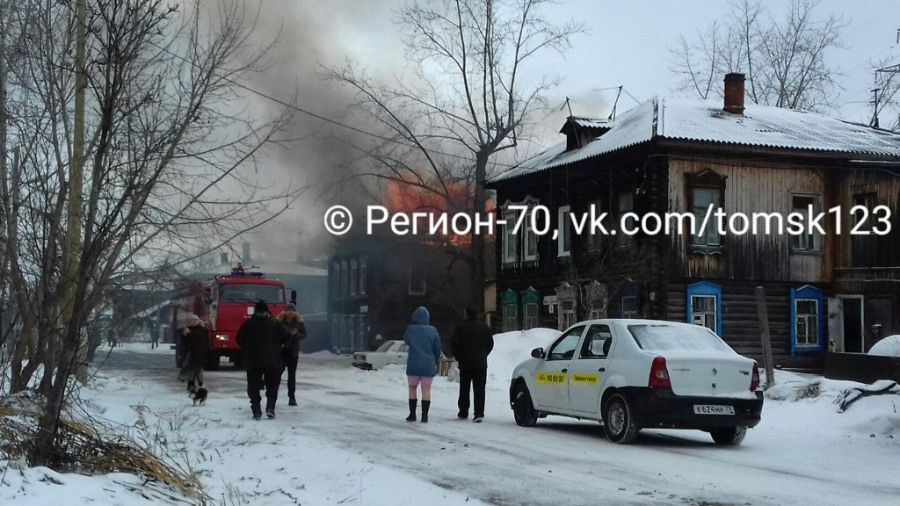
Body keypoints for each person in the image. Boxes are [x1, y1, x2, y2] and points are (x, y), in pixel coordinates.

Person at [236, 300, 294, 419]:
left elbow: (239, 340)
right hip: (272, 360)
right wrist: (278, 344)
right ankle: (270, 408)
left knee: (253, 386)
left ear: (255, 311)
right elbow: (288, 335)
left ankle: (256, 410)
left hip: (253, 360)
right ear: (267, 311)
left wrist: (247, 347)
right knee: (272, 384)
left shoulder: (248, 323)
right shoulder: (275, 323)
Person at [450, 307, 494, 423]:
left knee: (464, 388)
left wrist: (459, 357)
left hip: (465, 363)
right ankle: (479, 413)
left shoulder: (461, 328)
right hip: (480, 363)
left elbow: (454, 344)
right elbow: (490, 344)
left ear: (466, 315)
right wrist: (484, 354)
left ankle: (463, 411)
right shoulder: (484, 328)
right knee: (480, 389)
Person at [402, 306, 442, 423]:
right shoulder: (433, 330)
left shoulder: (411, 329)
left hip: (413, 364)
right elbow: (437, 348)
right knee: (426, 390)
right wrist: (435, 360)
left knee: (412, 388)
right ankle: (424, 416)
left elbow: (406, 341)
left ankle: (412, 414)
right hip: (428, 365)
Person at [275, 303, 306, 407]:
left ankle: (291, 397)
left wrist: (297, 335)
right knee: (277, 374)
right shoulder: (279, 322)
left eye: (292, 311)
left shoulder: (299, 322)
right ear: (285, 312)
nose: (290, 313)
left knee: (291, 376)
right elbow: (275, 334)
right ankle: (273, 395)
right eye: (288, 311)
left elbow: (304, 334)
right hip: (282, 352)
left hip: (293, 352)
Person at [179, 313, 209, 395]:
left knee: (197, 370)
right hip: (192, 353)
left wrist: (188, 334)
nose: (192, 322)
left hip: (197, 353)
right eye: (191, 320)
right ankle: (193, 385)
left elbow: (197, 340)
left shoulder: (201, 330)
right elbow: (184, 342)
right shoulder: (189, 329)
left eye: (194, 320)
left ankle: (198, 385)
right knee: (193, 370)